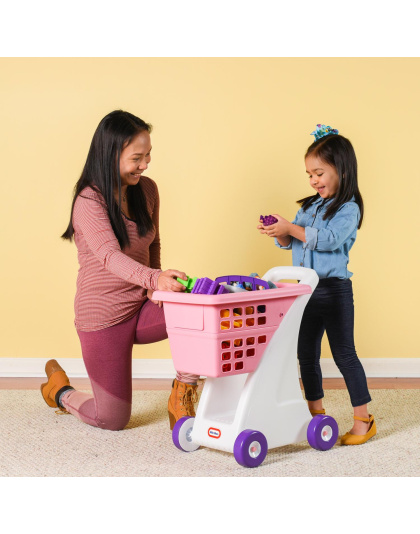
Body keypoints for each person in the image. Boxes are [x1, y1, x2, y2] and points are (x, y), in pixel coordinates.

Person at [41, 110, 200, 431]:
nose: (145, 164)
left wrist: (156, 285)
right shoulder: (89, 200)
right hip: (103, 317)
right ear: (110, 155)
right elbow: (109, 256)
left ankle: (184, 391)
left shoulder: (148, 190)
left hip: (141, 306)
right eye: (137, 158)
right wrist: (154, 278)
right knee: (112, 419)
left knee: (198, 308)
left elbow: (153, 242)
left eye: (148, 155)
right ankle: (60, 391)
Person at [257, 124, 376, 445]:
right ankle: (315, 414)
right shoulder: (309, 206)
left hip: (335, 291)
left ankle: (364, 418)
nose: (313, 180)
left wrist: (291, 228)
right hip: (304, 291)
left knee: (344, 355)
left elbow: (328, 240)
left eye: (319, 173)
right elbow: (293, 242)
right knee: (306, 355)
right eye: (309, 174)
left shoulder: (348, 208)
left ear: (341, 169)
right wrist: (279, 231)